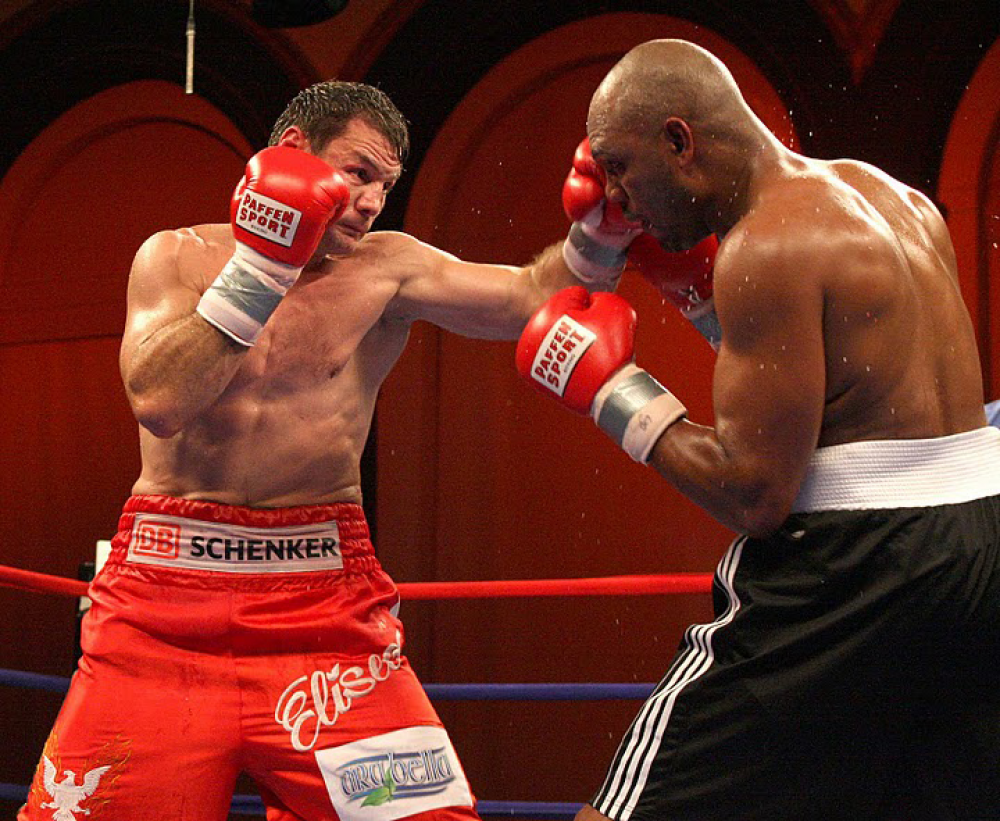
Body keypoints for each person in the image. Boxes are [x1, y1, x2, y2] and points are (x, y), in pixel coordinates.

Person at [17, 80, 675, 821]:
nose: (370, 202)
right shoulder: (175, 256)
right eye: (358, 173)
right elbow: (161, 402)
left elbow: (531, 295)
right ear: (293, 151)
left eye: (384, 187)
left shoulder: (387, 268)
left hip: (326, 617)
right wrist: (262, 267)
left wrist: (599, 233)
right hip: (160, 616)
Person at [517, 39, 1000, 820]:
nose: (618, 198)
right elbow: (834, 383)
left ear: (680, 141)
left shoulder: (765, 244)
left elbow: (754, 492)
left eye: (621, 167)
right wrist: (700, 301)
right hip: (977, 547)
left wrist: (611, 391)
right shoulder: (890, 197)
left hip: (851, 562)